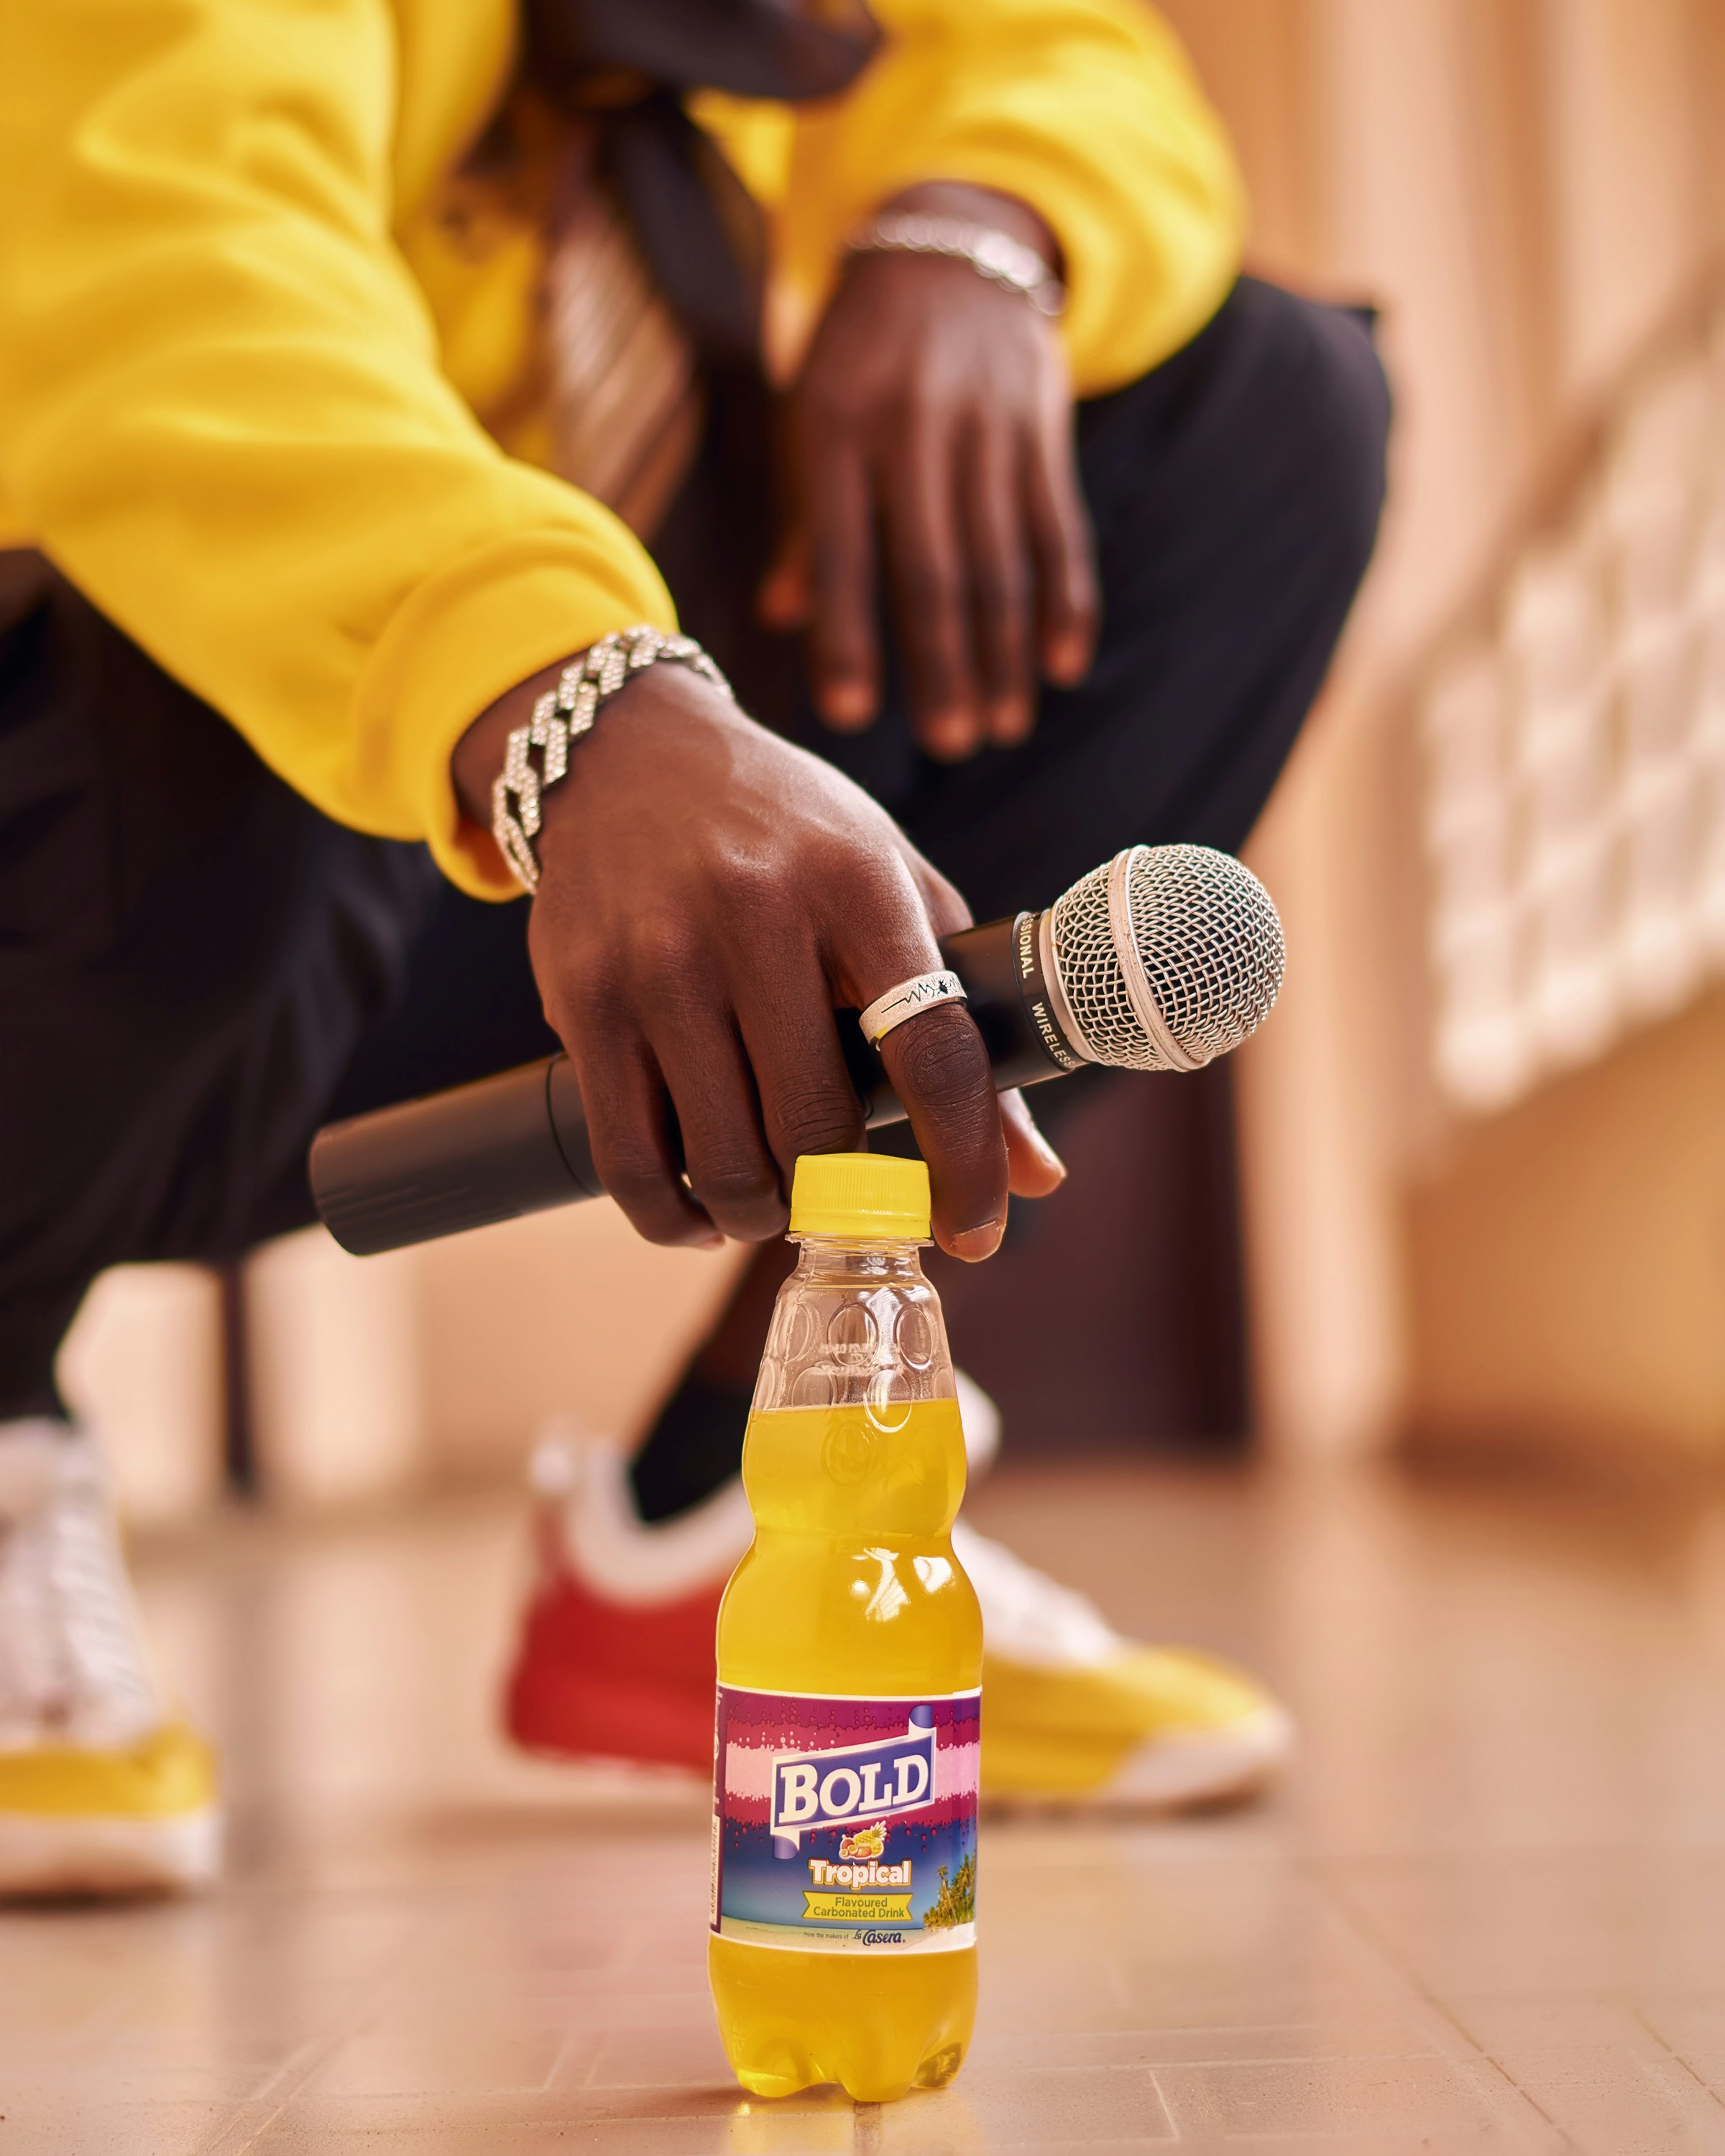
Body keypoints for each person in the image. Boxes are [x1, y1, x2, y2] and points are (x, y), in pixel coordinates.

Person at [0, 0, 1389, 1894]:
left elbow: (1053, 51)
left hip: (391, 922)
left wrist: (976, 221)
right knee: (202, 631)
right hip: (90, 858)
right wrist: (559, 693)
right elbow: (156, 285)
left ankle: (761, 1494)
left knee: (1258, 413)